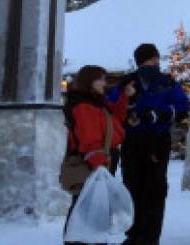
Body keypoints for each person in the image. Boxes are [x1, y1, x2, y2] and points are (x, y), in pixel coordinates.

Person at [110, 43, 189, 245]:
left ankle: (149, 237)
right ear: (140, 61)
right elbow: (112, 106)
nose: (154, 63)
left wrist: (157, 114)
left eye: (156, 59)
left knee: (154, 189)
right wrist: (128, 114)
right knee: (132, 187)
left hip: (157, 140)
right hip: (132, 140)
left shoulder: (167, 82)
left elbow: (182, 107)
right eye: (150, 60)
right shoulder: (127, 82)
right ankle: (134, 234)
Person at [64, 65, 131, 245]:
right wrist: (99, 164)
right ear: (89, 81)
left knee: (93, 205)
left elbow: (114, 120)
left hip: (102, 159)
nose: (104, 82)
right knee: (86, 205)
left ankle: (91, 241)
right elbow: (89, 137)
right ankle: (81, 242)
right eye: (100, 79)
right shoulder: (83, 105)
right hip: (92, 162)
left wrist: (125, 97)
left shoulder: (96, 102)